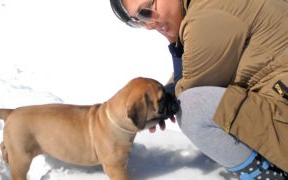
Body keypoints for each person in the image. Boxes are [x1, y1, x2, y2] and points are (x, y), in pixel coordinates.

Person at [109, 0, 288, 179]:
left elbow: (189, 88)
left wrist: (165, 100)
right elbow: (193, 71)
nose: (148, 25)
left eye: (146, 11)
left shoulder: (208, 17)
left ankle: (271, 176)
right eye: (137, 20)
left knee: (192, 109)